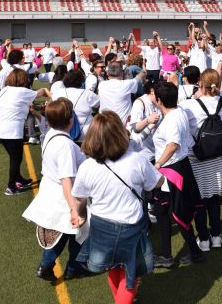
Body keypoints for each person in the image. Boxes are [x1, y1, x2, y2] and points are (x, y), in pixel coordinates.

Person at [72, 111, 163, 303]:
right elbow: (155, 183)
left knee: (111, 266)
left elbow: (79, 200)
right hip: (131, 226)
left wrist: (79, 215)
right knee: (131, 276)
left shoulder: (87, 167)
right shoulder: (137, 159)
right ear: (120, 134)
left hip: (101, 225)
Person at [23, 98, 88, 282]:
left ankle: (50, 264)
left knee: (64, 232)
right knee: (74, 232)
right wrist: (74, 208)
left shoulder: (50, 134)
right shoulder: (66, 145)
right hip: (64, 194)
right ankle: (67, 266)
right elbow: (66, 178)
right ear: (70, 120)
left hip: (51, 189)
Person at [152, 81, 205, 267]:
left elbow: (173, 144)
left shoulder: (173, 118)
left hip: (172, 172)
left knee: (178, 213)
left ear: (159, 100)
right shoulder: (179, 112)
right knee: (163, 211)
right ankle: (168, 255)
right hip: (179, 168)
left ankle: (194, 252)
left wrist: (158, 164)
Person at [180, 67, 222, 250]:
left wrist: (196, 96)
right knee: (214, 198)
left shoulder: (188, 105)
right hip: (219, 157)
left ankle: (203, 239)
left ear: (200, 84)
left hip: (198, 158)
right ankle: (216, 236)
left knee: (199, 201)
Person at [0, 69, 50, 195]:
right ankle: (11, 186)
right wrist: (46, 90)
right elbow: (39, 93)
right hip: (11, 130)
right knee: (16, 158)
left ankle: (19, 178)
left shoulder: (5, 89)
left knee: (15, 156)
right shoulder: (22, 91)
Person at [51, 69, 100, 142]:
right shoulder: (87, 93)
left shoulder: (58, 93)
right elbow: (98, 104)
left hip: (63, 131)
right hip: (85, 132)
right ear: (81, 81)